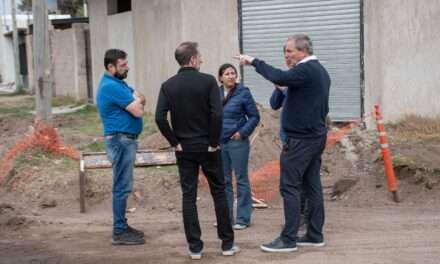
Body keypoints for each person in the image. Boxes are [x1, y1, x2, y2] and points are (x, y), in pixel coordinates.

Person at [235, 33, 330, 252]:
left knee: (289, 187)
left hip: (301, 140)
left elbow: (277, 75)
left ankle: (288, 239)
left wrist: (253, 61)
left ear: (303, 51)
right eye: (285, 51)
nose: (286, 55)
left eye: (289, 51)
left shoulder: (306, 70)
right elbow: (279, 97)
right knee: (311, 186)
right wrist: (282, 86)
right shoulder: (318, 72)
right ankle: (315, 235)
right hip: (313, 138)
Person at [155, 42, 239, 260]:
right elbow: (217, 115)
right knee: (219, 191)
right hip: (208, 147)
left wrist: (174, 142)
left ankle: (195, 247)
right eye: (200, 57)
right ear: (192, 59)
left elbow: (159, 117)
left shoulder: (168, 86)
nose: (202, 60)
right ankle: (227, 243)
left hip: (184, 149)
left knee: (189, 196)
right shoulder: (209, 81)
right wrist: (213, 142)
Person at [96, 49, 146, 245]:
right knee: (121, 187)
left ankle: (122, 226)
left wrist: (138, 100)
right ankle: (119, 231)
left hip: (125, 140)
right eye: (123, 65)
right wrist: (137, 101)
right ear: (111, 67)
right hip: (120, 141)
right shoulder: (111, 86)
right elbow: (139, 110)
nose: (127, 67)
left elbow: (141, 98)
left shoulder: (119, 83)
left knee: (124, 186)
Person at [218, 63, 260, 230]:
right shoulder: (215, 93)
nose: (231, 76)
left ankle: (243, 218)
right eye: (227, 73)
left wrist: (242, 133)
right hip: (220, 142)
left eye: (233, 73)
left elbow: (254, 116)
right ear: (220, 77)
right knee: (224, 181)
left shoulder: (243, 92)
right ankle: (226, 218)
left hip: (237, 141)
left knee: (241, 179)